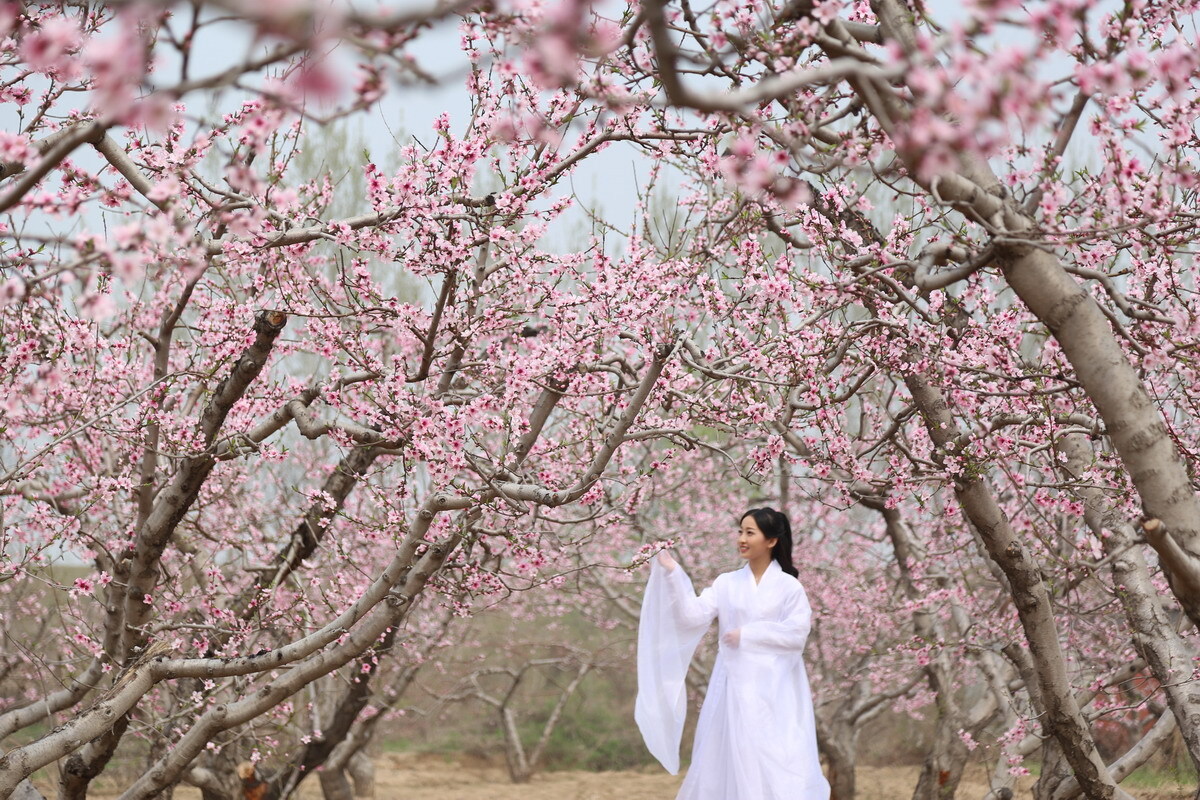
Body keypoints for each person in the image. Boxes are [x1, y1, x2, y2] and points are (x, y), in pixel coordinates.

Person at [635, 507, 830, 800]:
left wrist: (749, 635)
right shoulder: (726, 583)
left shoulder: (789, 587)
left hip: (775, 691)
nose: (741, 538)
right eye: (740, 531)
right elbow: (691, 616)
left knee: (776, 759)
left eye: (750, 532)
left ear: (772, 541)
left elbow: (796, 633)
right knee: (722, 759)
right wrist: (674, 573)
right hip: (731, 688)